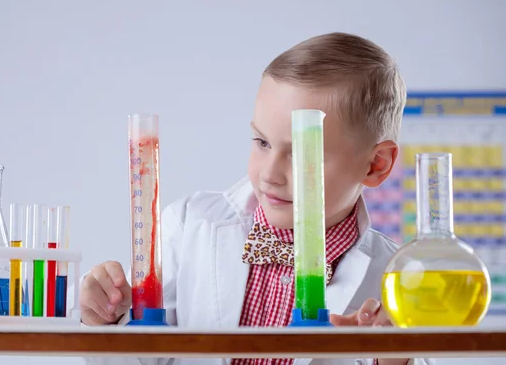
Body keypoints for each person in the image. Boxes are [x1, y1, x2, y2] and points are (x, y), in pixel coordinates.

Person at [77, 32, 435, 365]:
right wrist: (109, 317)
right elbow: (141, 358)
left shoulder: (396, 278)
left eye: (303, 154)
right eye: (262, 142)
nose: (270, 174)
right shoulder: (190, 226)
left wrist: (395, 358)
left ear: (376, 164)